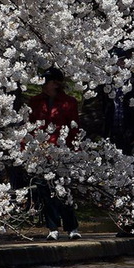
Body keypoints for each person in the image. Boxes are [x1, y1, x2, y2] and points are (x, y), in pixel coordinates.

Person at [28, 67, 81, 241]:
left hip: (62, 150)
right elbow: (29, 127)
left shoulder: (69, 102)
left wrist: (75, 150)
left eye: (48, 81)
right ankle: (52, 227)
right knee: (45, 190)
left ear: (56, 83)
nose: (44, 84)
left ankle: (71, 226)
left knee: (64, 189)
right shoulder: (35, 101)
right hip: (41, 151)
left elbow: (74, 128)